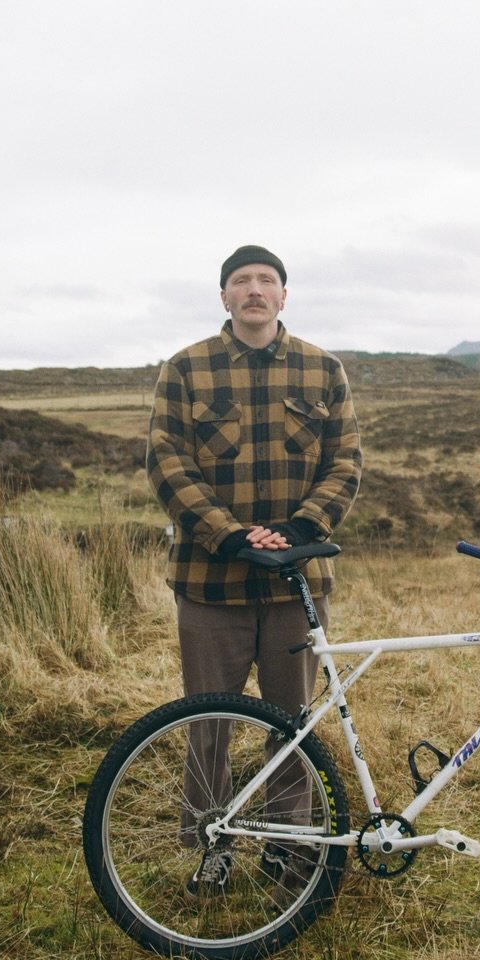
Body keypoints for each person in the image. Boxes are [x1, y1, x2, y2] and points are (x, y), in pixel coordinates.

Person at [146, 244, 362, 894]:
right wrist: (231, 535)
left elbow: (345, 461)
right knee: (208, 725)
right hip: (211, 585)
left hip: (296, 585)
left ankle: (288, 846)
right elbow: (166, 460)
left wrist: (299, 530)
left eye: (267, 280)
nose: (255, 290)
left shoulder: (324, 369)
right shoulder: (185, 369)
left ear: (284, 295)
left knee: (293, 725)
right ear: (224, 296)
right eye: (241, 280)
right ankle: (211, 846)